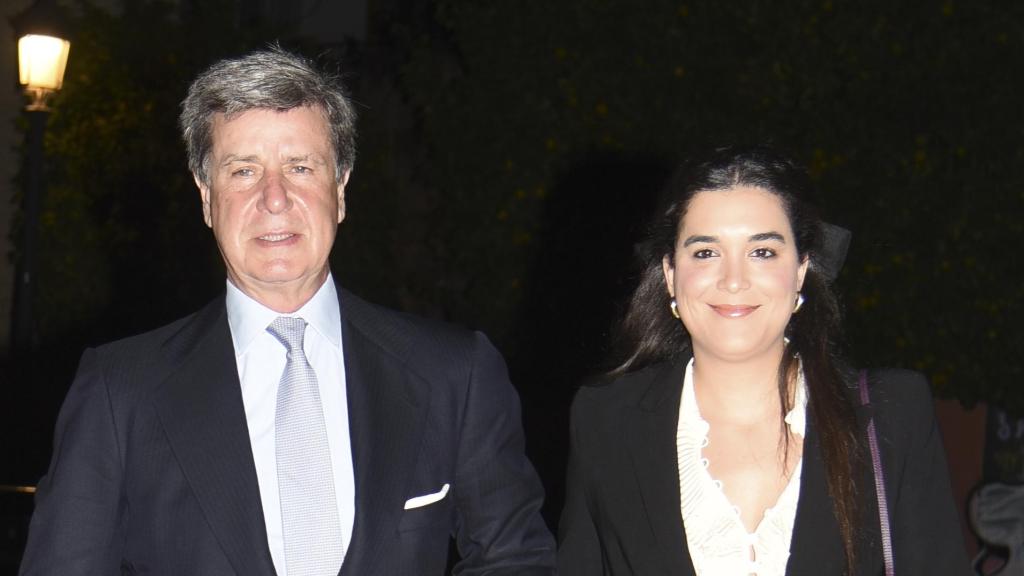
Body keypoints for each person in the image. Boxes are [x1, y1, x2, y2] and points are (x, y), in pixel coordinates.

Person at [19, 47, 555, 576]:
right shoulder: (120, 392)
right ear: (206, 197)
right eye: (244, 171)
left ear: (340, 189)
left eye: (300, 167)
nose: (274, 198)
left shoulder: (453, 373)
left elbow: (515, 559)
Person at [557, 146, 969, 575]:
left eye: (762, 252)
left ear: (802, 270)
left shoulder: (892, 414)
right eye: (705, 252)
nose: (733, 280)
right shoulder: (606, 420)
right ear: (671, 274)